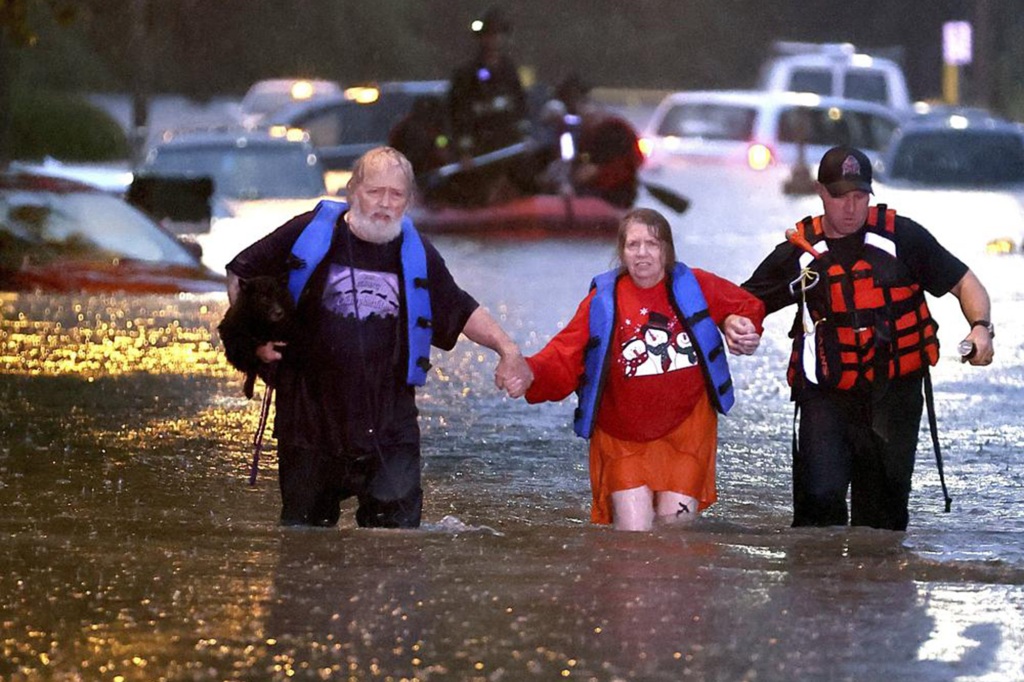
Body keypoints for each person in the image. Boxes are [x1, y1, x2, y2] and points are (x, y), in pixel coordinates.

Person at [224, 146, 530, 529]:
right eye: (375, 191)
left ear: (408, 200)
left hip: (389, 423)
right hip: (310, 419)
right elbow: (240, 272)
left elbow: (460, 308)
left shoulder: (417, 253)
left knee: (396, 546)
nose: (385, 203)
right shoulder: (308, 232)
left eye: (396, 194)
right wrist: (254, 345)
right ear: (353, 191)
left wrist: (508, 349)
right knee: (304, 545)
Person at [742, 145, 994, 531]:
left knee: (880, 523)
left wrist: (981, 327)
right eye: (840, 196)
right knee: (819, 507)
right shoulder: (800, 253)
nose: (851, 207)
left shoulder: (902, 237)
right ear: (821, 192)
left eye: (860, 196)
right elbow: (743, 304)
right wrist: (735, 325)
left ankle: (873, 590)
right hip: (825, 393)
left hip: (893, 395)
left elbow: (965, 283)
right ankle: (819, 589)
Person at [505, 208, 764, 531]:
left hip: (687, 433)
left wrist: (736, 324)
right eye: (633, 245)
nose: (642, 253)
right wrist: (529, 372)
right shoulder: (602, 301)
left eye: (652, 244)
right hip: (621, 438)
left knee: (675, 541)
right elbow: (563, 355)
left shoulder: (697, 285)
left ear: (667, 250)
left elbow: (746, 306)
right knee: (633, 542)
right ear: (621, 252)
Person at [446, 7, 535, 205]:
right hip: (480, 149)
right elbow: (458, 116)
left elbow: (520, 109)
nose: (494, 40)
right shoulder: (466, 75)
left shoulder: (509, 72)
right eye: (489, 35)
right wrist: (464, 152)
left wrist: (524, 137)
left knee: (526, 175)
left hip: (508, 146)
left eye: (497, 34)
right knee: (472, 189)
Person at [537, 73, 644, 208]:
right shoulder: (572, 131)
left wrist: (592, 174)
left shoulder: (611, 129)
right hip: (596, 196)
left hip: (611, 198)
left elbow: (625, 165)